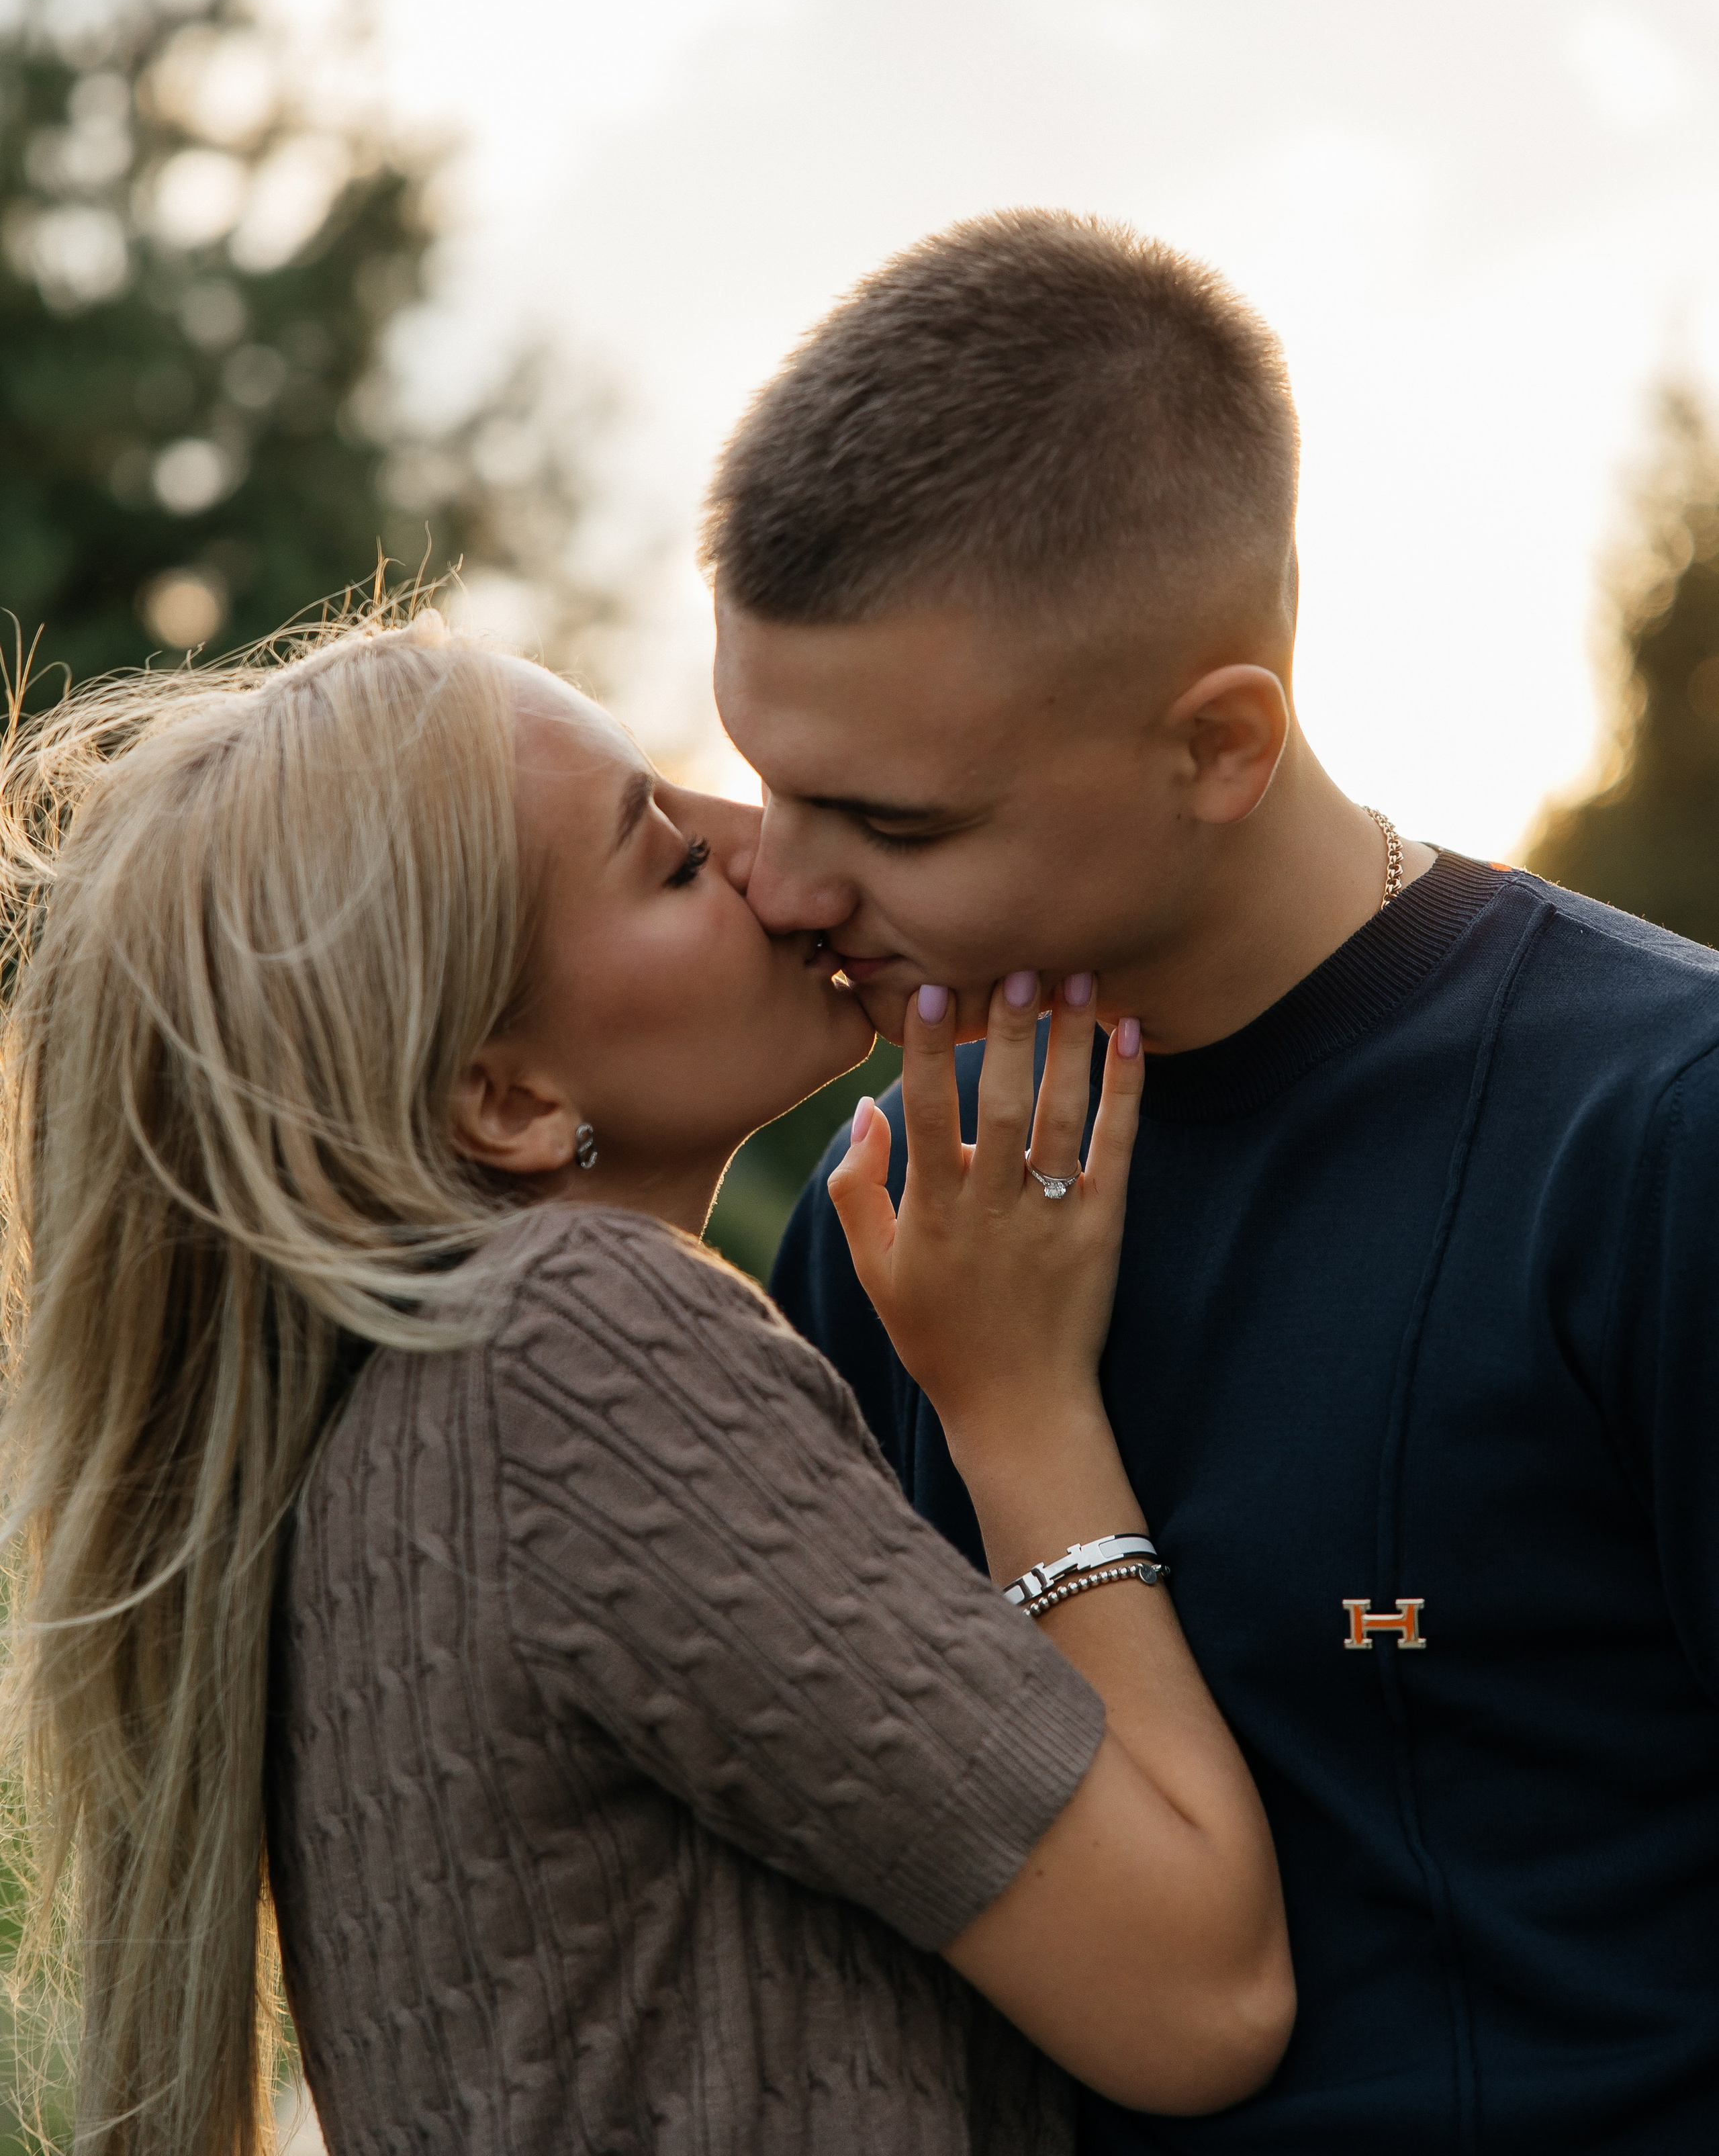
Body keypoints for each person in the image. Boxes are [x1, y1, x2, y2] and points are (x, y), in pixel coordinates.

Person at [0, 607, 1291, 2156]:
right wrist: (1015, 1400)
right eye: (671, 861)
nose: (775, 862)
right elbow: (1196, 1996)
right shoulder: (567, 1353)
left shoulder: (381, 1441)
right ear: (510, 1099)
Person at [704, 208, 1719, 2156]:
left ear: (1220, 745)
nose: (787, 885)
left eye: (890, 820)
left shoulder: (1654, 1136)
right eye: (767, 781)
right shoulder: (896, 1192)